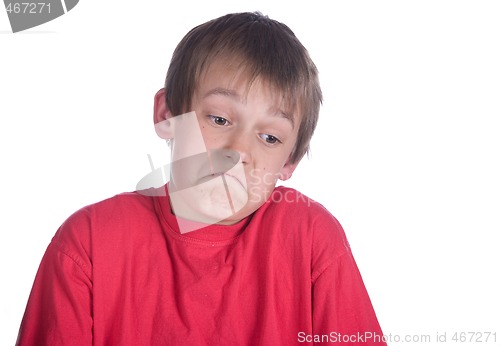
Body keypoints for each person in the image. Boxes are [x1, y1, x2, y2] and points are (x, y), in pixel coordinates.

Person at [16, 11, 387, 345]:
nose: (239, 151)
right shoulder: (90, 242)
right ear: (167, 114)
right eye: (219, 119)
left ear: (288, 163)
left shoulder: (311, 241)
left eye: (270, 137)